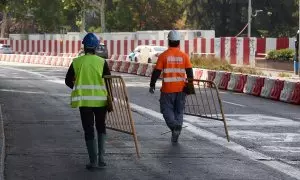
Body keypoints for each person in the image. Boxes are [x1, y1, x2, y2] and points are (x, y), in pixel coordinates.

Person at [65, 33, 111, 170]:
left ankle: (93, 161)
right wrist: (110, 100)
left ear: (84, 46)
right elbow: (108, 81)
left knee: (89, 129)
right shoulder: (102, 62)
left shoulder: (77, 62)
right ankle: (102, 159)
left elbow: (68, 80)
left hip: (84, 102)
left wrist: (77, 86)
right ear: (96, 47)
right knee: (101, 127)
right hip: (101, 102)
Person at [149, 30, 194, 143]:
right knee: (179, 112)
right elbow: (189, 72)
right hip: (181, 90)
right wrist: (190, 85)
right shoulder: (184, 56)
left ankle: (174, 127)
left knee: (166, 110)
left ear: (168, 41)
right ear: (179, 42)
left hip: (167, 90)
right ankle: (176, 130)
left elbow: (157, 72)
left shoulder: (163, 56)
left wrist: (152, 84)